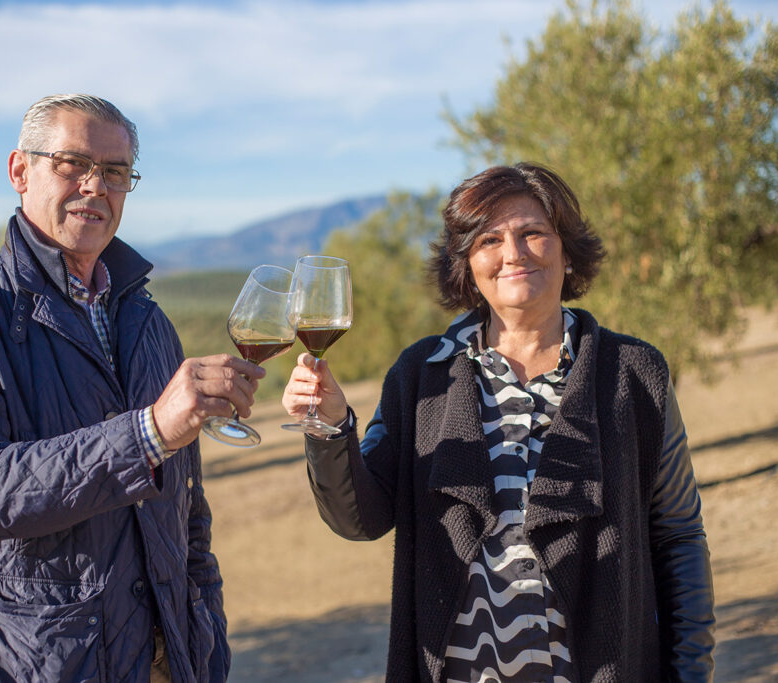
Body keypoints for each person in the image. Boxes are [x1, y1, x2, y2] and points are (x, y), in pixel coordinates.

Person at [282, 163, 715, 682]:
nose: (513, 253)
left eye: (533, 232)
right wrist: (330, 428)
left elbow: (678, 536)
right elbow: (361, 517)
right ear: (465, 262)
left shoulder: (635, 373)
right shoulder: (421, 375)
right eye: (489, 239)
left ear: (566, 248)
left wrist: (690, 672)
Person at [0, 94, 260, 682]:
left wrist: (204, 640)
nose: (96, 186)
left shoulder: (147, 321)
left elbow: (187, 514)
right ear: (21, 172)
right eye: (72, 164)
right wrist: (147, 433)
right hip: (30, 664)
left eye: (116, 172)